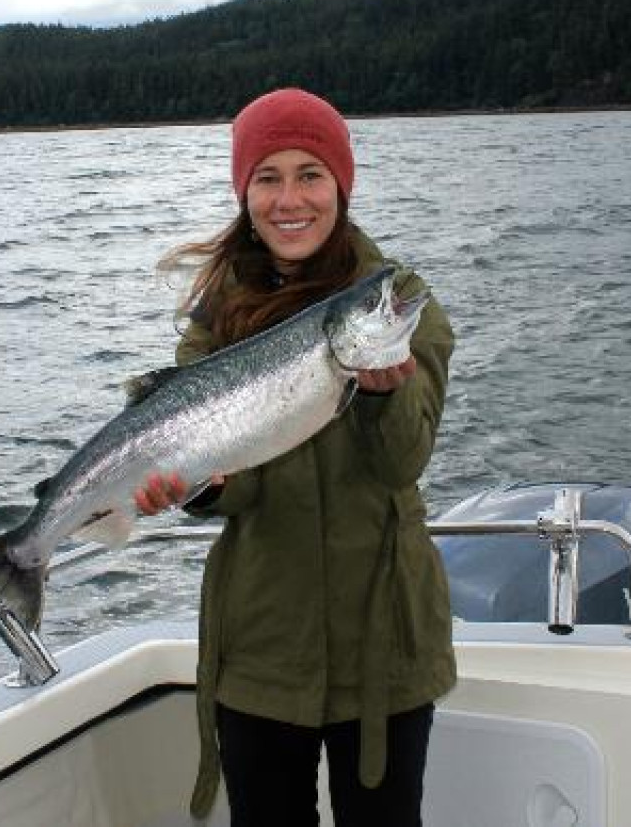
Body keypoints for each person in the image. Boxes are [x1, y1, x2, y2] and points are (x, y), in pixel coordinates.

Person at [134, 88, 455, 827]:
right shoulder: (216, 314)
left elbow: (404, 462)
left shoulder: (398, 299)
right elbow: (235, 491)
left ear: (341, 184)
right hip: (261, 645)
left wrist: (381, 396)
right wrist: (196, 489)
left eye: (310, 173)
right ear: (244, 193)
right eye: (267, 176)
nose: (290, 198)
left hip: (387, 639)